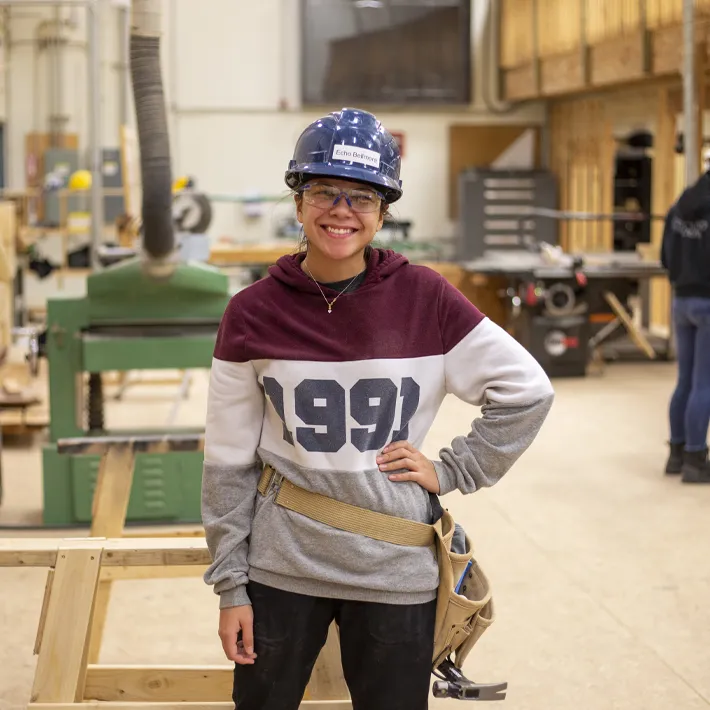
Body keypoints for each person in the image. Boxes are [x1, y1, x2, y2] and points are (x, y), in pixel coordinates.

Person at [201, 107, 555, 710]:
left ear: (384, 210)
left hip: (395, 570)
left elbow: (527, 389)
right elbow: (227, 460)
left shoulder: (427, 298)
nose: (342, 210)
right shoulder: (252, 313)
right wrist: (231, 585)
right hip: (281, 570)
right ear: (298, 201)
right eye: (324, 192)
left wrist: (455, 469)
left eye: (362, 197)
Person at [662, 171, 710, 484]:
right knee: (703, 384)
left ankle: (676, 455)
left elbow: (666, 258)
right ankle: (696, 460)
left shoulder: (678, 207)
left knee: (685, 381)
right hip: (708, 302)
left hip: (681, 302)